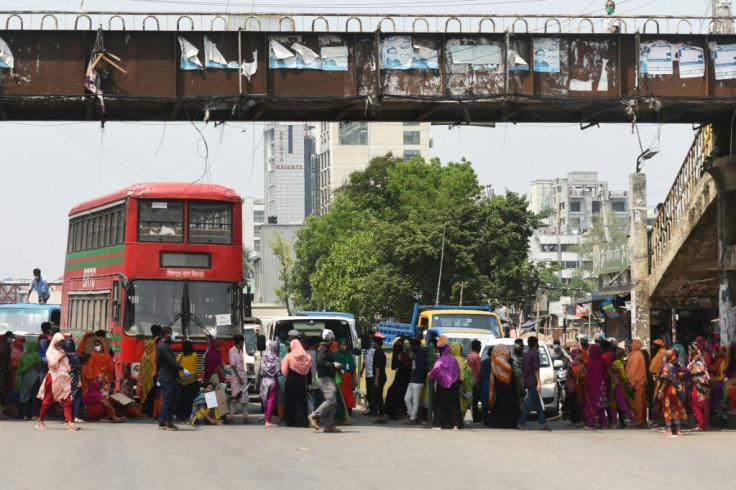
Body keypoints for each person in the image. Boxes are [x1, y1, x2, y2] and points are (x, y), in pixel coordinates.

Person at [36, 333, 78, 430]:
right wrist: (61, 357)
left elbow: (67, 365)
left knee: (67, 400)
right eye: (60, 342)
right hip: (53, 378)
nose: (60, 344)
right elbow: (52, 364)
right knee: (47, 400)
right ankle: (40, 420)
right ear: (55, 341)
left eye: (62, 342)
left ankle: (69, 422)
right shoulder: (49, 352)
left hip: (63, 379)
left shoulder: (61, 351)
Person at [156, 326, 191, 431]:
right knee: (167, 400)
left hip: (169, 376)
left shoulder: (165, 346)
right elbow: (171, 361)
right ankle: (162, 423)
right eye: (171, 334)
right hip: (166, 376)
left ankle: (168, 420)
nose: (173, 336)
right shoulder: (163, 346)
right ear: (166, 335)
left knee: (176, 396)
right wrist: (182, 369)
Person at [308, 329, 342, 433]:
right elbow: (320, 362)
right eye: (332, 339)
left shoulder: (326, 349)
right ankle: (314, 415)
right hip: (325, 378)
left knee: (333, 403)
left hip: (329, 377)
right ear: (328, 339)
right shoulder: (323, 349)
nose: (333, 341)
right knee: (331, 400)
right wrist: (333, 365)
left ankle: (328, 425)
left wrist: (336, 366)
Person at [517, 337, 551, 431]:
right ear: (535, 344)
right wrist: (539, 382)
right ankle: (521, 422)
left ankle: (543, 422)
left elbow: (523, 368)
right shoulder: (535, 354)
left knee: (537, 403)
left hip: (527, 380)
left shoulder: (526, 354)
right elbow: (536, 368)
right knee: (530, 403)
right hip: (533, 381)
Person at [484, 343, 520, 428]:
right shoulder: (499, 359)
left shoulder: (497, 359)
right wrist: (511, 361)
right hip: (504, 384)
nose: (506, 351)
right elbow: (509, 368)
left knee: (502, 404)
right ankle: (506, 422)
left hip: (502, 384)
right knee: (505, 404)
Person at [428, 342, 463, 429]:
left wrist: (431, 376)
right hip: (453, 384)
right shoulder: (454, 360)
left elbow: (435, 370)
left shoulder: (440, 361)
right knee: (454, 404)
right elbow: (458, 371)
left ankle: (439, 424)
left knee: (440, 404)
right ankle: (456, 424)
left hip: (442, 385)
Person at [655, 349, 689, 437]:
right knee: (677, 409)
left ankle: (669, 430)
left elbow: (665, 380)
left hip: (669, 391)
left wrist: (661, 391)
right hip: (678, 391)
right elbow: (687, 376)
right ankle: (678, 430)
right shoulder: (680, 366)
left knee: (668, 409)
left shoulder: (667, 366)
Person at [282, 338, 312, 428]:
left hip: (291, 381)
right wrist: (308, 382)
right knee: (301, 402)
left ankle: (290, 421)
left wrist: (285, 379)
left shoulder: (289, 356)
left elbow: (284, 370)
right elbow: (309, 371)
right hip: (301, 381)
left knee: (290, 401)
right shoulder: (306, 356)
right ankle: (302, 422)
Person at [608, 348, 636, 429]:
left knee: (622, 405)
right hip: (616, 386)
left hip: (618, 386)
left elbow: (623, 374)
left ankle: (633, 421)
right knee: (613, 405)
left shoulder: (617, 362)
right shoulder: (622, 362)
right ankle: (613, 423)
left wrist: (627, 383)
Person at [15, 338, 42, 421]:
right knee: (34, 397)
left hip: (25, 379)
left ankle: (25, 415)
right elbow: (39, 368)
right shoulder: (36, 356)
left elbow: (20, 367)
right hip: (34, 378)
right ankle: (34, 415)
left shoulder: (24, 357)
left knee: (25, 396)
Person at [384, 338, 411, 420]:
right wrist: (396, 359)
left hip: (404, 379)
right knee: (391, 391)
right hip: (398, 379)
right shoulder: (396, 355)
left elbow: (407, 367)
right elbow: (393, 367)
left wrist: (400, 361)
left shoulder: (405, 355)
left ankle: (399, 413)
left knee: (398, 395)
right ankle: (390, 413)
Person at [583, 343, 608, 430]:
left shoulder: (590, 362)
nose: (589, 352)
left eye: (591, 351)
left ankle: (591, 424)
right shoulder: (602, 361)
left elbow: (587, 374)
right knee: (601, 407)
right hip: (601, 386)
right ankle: (603, 424)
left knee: (590, 404)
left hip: (592, 385)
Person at [688, 342, 711, 431]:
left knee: (697, 404)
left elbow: (698, 373)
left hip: (698, 385)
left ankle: (701, 424)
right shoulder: (698, 359)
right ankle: (703, 424)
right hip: (700, 384)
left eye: (690, 349)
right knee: (702, 404)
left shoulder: (697, 361)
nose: (689, 351)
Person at [404, 338, 428, 425]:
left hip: (418, 381)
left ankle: (413, 418)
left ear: (418, 346)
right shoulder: (415, 355)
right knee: (406, 399)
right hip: (413, 380)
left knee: (415, 400)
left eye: (414, 345)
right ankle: (413, 417)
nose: (413, 347)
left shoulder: (420, 355)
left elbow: (424, 369)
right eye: (412, 345)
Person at [228, 334, 250, 424]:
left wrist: (243, 376)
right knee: (235, 396)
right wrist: (238, 377)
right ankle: (231, 417)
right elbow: (233, 365)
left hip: (242, 374)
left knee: (244, 397)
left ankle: (246, 417)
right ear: (240, 342)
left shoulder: (240, 351)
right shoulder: (232, 351)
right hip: (236, 375)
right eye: (242, 342)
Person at [259, 340, 281, 427]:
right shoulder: (276, 359)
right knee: (271, 401)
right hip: (273, 381)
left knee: (265, 400)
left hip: (264, 381)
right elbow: (279, 372)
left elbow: (259, 371)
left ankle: (267, 419)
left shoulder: (263, 358)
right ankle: (268, 421)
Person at [626, 339, 648, 428]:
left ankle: (639, 421)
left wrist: (631, 382)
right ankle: (641, 421)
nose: (630, 345)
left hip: (637, 381)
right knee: (641, 402)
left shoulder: (637, 355)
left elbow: (633, 370)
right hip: (640, 381)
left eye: (631, 344)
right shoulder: (637, 354)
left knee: (638, 403)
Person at [176, 341, 199, 422]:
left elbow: (177, 365)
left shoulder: (180, 355)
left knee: (181, 399)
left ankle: (180, 415)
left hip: (181, 381)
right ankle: (187, 415)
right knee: (189, 400)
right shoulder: (195, 355)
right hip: (191, 381)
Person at [333, 337, 357, 419]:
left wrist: (354, 380)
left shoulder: (349, 355)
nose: (343, 346)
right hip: (338, 379)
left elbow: (353, 369)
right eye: (341, 345)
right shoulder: (335, 354)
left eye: (344, 344)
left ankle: (348, 412)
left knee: (348, 396)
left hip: (347, 380)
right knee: (339, 396)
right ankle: (339, 415)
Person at [63, 337, 84, 424]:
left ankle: (67, 417)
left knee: (66, 397)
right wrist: (80, 380)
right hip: (74, 377)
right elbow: (78, 369)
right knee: (77, 396)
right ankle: (75, 416)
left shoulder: (62, 355)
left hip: (64, 377)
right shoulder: (75, 355)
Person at [562, 347, 584, 424]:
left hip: (572, 387)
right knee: (577, 403)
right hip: (577, 386)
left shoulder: (573, 364)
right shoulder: (579, 364)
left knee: (574, 403)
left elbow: (568, 374)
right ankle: (578, 418)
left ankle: (575, 418)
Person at [371, 333, 388, 423]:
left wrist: (376, 379)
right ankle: (381, 414)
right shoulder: (381, 353)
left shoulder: (378, 353)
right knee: (378, 396)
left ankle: (381, 415)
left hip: (379, 377)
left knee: (378, 396)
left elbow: (378, 367)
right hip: (382, 376)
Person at [467, 339, 482, 423]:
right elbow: (479, 371)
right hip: (476, 380)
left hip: (470, 380)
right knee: (475, 401)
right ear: (478, 347)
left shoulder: (469, 356)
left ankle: (475, 416)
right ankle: (476, 418)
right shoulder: (476, 357)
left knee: (472, 401)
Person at [362, 337, 376, 415]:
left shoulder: (373, 351)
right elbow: (364, 362)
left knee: (372, 393)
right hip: (367, 375)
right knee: (369, 394)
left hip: (372, 375)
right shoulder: (366, 351)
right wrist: (361, 370)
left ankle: (374, 410)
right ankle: (371, 409)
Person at [510, 338, 526, 409]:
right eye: (520, 346)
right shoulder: (511, 356)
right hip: (513, 382)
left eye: (522, 346)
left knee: (521, 401)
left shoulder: (524, 356)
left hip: (523, 381)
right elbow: (517, 373)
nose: (521, 347)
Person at [0, 331, 13, 406]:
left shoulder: (5, 344)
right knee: (3, 387)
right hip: (3, 368)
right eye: (10, 337)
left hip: (3, 368)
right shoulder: (5, 346)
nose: (11, 339)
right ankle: (3, 404)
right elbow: (6, 357)